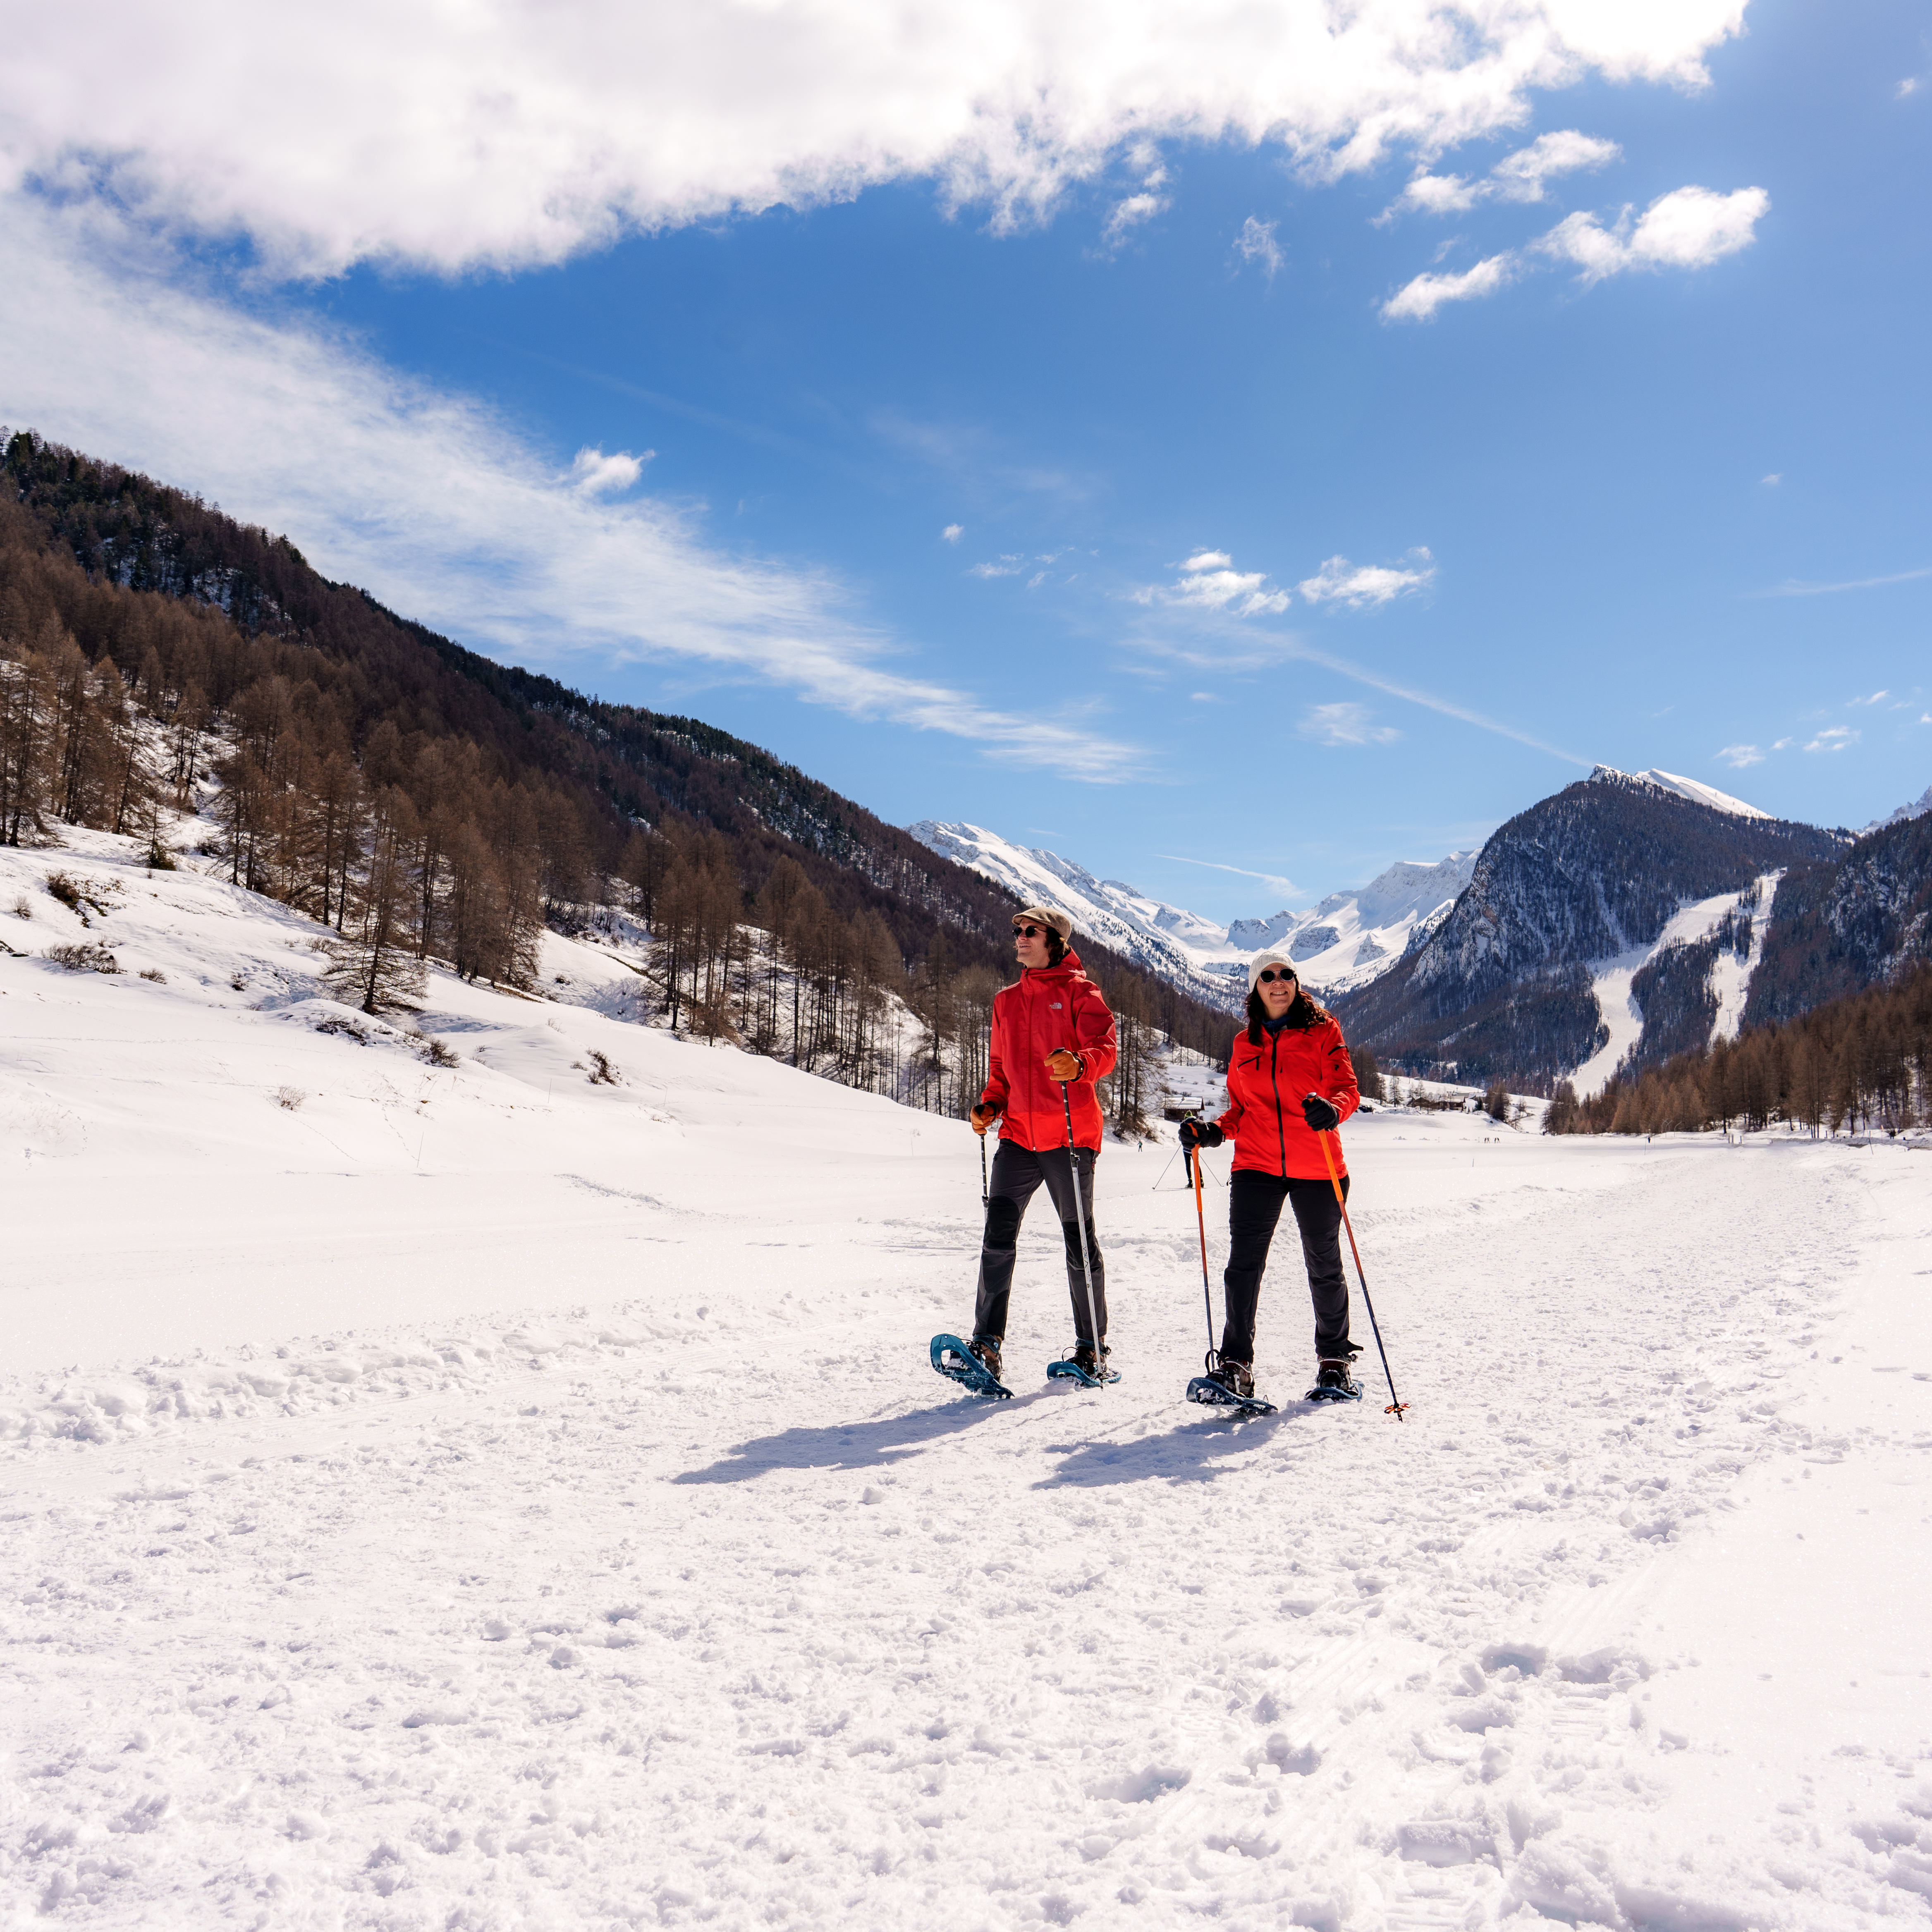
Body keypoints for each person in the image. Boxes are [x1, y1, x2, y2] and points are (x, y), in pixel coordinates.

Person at [1179, 952, 1361, 1401]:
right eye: (1268, 976)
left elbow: (1347, 1089)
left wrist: (1332, 1109)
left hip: (1317, 1164)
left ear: (1297, 983)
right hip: (1255, 1165)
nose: (1278, 982)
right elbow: (1241, 1108)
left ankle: (1334, 1363)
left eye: (1286, 975)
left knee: (1323, 1264)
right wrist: (1216, 1130)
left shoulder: (1324, 1031)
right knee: (1242, 1267)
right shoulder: (1245, 1043)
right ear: (1254, 987)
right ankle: (1235, 1364)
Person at [964, 906, 1119, 1384]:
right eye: (1016, 931)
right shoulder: (1006, 1000)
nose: (1020, 938)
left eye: (1030, 931)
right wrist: (990, 1105)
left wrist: (1080, 1063)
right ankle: (986, 1345)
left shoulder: (1080, 991)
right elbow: (999, 1068)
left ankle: (1092, 1350)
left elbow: (1106, 1048)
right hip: (1017, 1138)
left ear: (1054, 940)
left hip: (1069, 1136)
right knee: (997, 1237)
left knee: (1078, 1243)